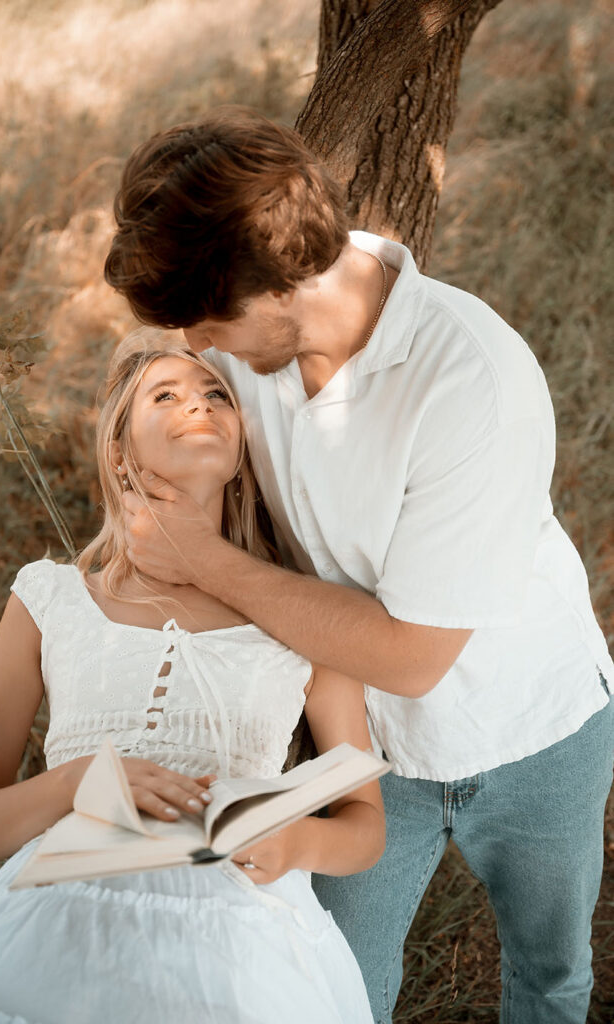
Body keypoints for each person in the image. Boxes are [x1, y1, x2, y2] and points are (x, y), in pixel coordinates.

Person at [103, 107, 614, 1024]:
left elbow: (416, 655)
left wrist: (205, 562)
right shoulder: (245, 356)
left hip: (532, 729)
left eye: (209, 324)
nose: (198, 350)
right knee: (336, 991)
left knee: (551, 977)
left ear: (282, 281)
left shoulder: (471, 380)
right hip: (357, 743)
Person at [0, 327, 384, 1024]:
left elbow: (365, 824)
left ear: (241, 456)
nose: (200, 405)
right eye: (167, 394)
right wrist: (72, 784)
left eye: (217, 395)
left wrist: (298, 841)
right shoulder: (51, 600)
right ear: (118, 453)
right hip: (60, 926)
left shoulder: (304, 611)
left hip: (242, 939)